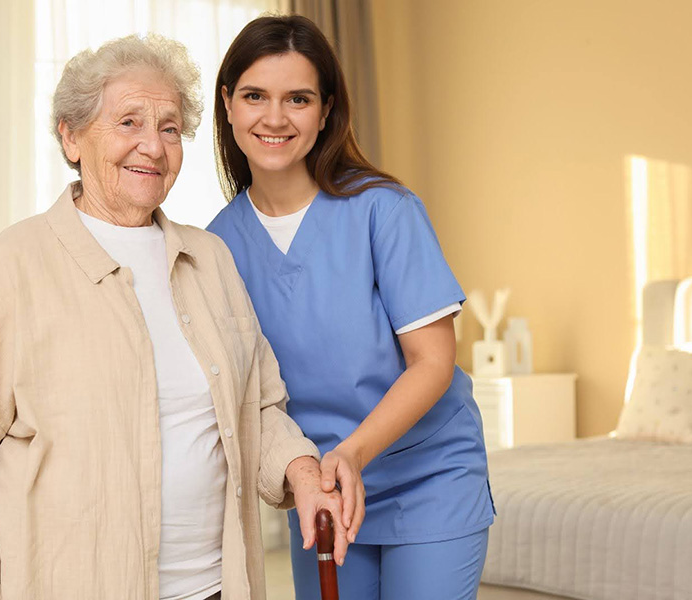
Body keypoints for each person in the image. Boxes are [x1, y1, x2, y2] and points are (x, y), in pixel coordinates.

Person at [0, 33, 351, 600]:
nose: (153, 146)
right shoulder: (15, 265)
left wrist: (302, 473)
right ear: (71, 137)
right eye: (128, 123)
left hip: (216, 586)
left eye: (169, 128)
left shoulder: (209, 259)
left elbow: (258, 405)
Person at [207, 15, 495, 600]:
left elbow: (434, 361)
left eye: (299, 98)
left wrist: (352, 454)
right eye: (255, 95)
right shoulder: (217, 248)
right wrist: (314, 472)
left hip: (427, 475)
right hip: (321, 491)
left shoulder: (384, 211)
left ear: (326, 109)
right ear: (228, 105)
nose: (275, 117)